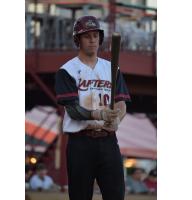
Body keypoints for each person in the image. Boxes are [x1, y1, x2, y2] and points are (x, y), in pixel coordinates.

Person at [55, 15, 131, 200]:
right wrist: (99, 113)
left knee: (116, 196)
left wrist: (116, 119)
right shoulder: (67, 70)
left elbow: (121, 103)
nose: (92, 40)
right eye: (87, 36)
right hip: (80, 143)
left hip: (108, 142)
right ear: (77, 40)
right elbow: (72, 110)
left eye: (96, 35)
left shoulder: (112, 68)